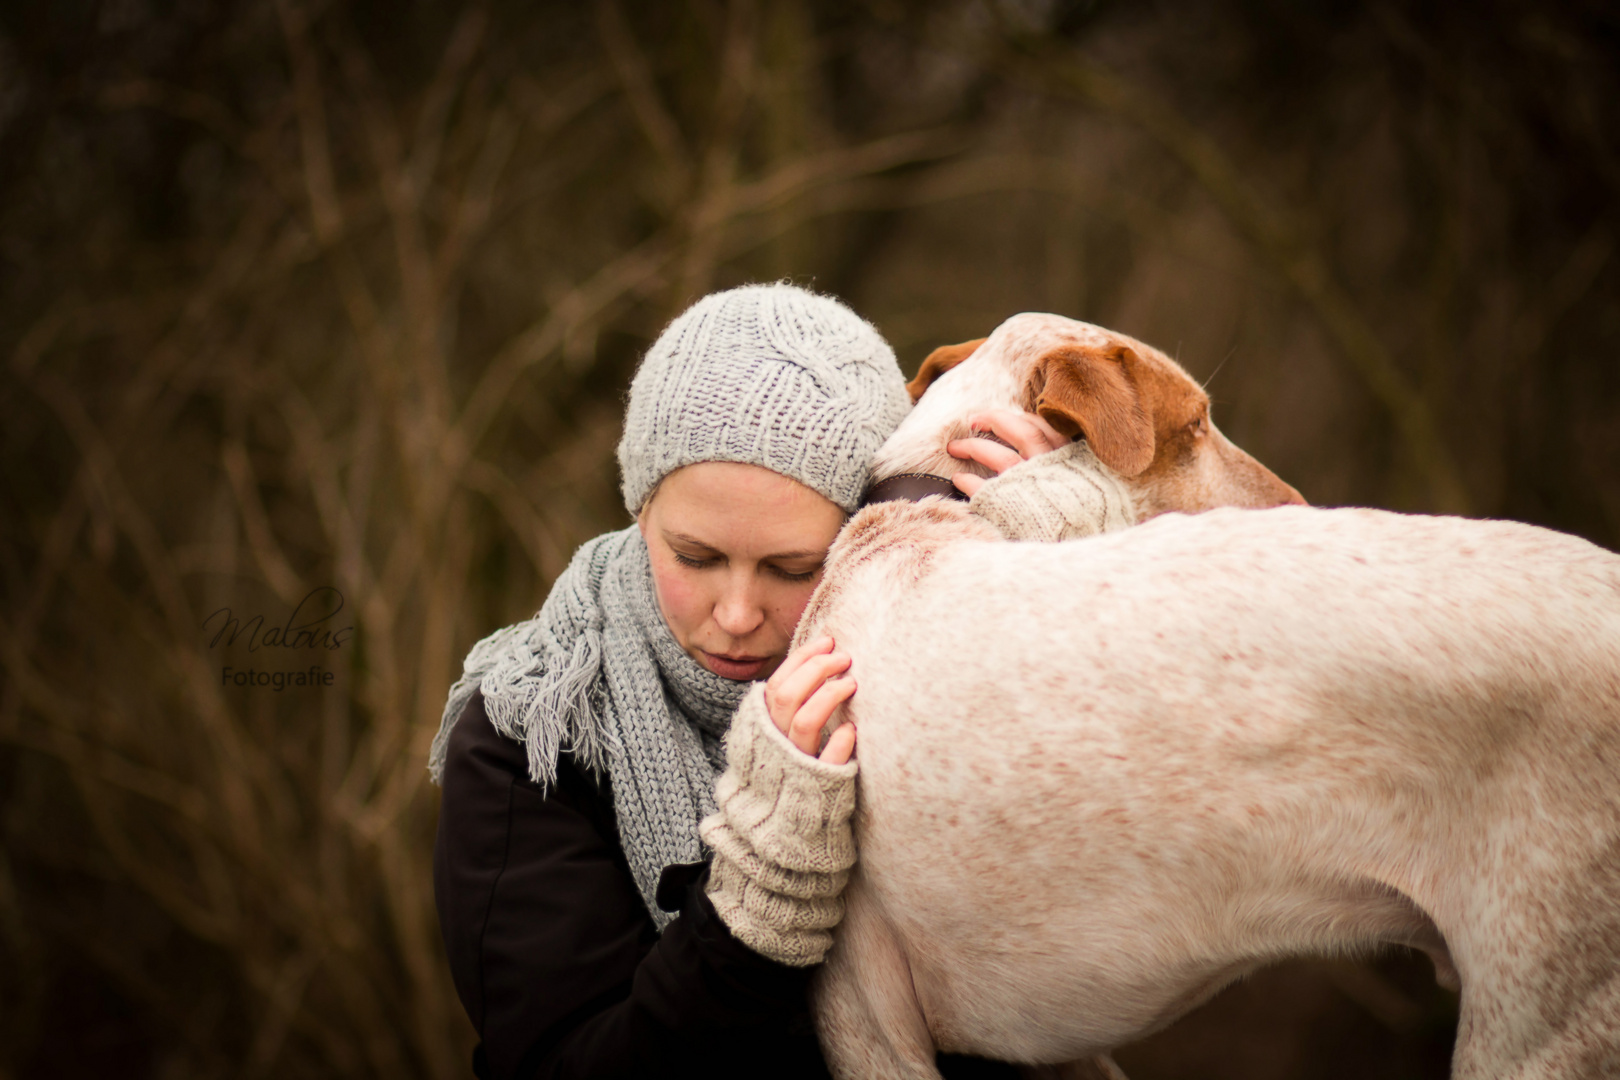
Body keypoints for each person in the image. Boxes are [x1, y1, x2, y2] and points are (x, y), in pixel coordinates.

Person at [428, 283, 1110, 1080]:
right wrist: (762, 886)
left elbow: (1090, 878)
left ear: (863, 531)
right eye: (695, 556)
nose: (740, 612)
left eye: (792, 567)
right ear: (639, 511)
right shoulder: (531, 733)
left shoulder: (921, 660)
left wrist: (1036, 572)